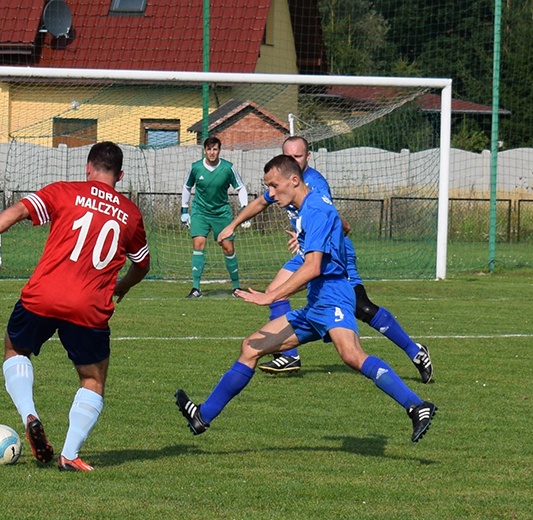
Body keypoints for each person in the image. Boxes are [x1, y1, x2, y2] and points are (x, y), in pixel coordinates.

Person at [175, 154, 436, 442]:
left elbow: (313, 267)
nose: (271, 193)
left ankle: (417, 406)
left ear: (294, 180)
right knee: (250, 347)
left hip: (334, 296)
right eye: (268, 187)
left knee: (351, 355)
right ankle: (203, 415)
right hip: (316, 302)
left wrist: (270, 296)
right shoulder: (308, 208)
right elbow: (336, 237)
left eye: (274, 186)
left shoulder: (315, 210)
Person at [0, 142, 150, 472]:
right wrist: (122, 287)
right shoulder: (131, 214)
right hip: (90, 306)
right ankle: (69, 455)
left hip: (43, 295)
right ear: (121, 175)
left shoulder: (64, 191)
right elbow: (142, 265)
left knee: (15, 349)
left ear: (88, 169)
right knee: (92, 380)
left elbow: (15, 214)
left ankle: (29, 414)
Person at [218, 136, 432, 382]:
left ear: (307, 158)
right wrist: (233, 225)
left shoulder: (316, 185)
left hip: (333, 252)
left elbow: (341, 225)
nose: (293, 159)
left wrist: (308, 235)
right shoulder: (282, 181)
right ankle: (290, 355)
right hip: (309, 251)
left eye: (297, 156)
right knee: (276, 291)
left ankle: (415, 351)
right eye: (288, 155)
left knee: (361, 307)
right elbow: (260, 202)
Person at [180, 136, 249, 298]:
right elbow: (187, 187)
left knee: (228, 247)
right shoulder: (196, 168)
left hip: (221, 213)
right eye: (209, 149)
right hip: (200, 212)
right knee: (198, 244)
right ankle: (196, 288)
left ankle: (236, 288)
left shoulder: (228, 168)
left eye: (215, 149)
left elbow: (241, 188)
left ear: (219, 150)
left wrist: (245, 209)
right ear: (204, 151)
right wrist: (184, 210)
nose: (212, 152)